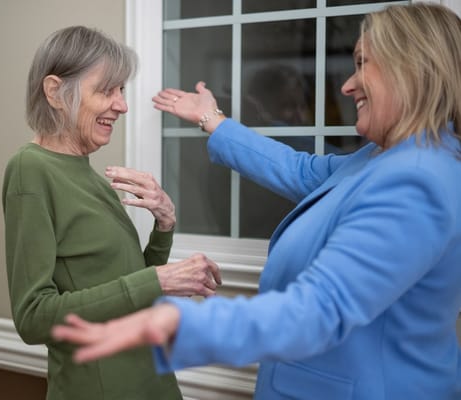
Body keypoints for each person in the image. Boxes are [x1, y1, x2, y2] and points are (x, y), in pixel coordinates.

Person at [52, 4, 461, 399]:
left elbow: (320, 307)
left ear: (410, 69)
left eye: (361, 63)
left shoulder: (416, 178)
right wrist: (212, 120)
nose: (347, 85)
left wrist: (173, 321)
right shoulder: (379, 159)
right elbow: (299, 170)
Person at [2, 26, 222, 400]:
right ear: (55, 92)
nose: (122, 105)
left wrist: (164, 227)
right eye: (107, 90)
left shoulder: (90, 175)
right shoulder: (31, 169)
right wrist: (159, 280)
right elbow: (33, 318)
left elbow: (127, 289)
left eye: (121, 90)